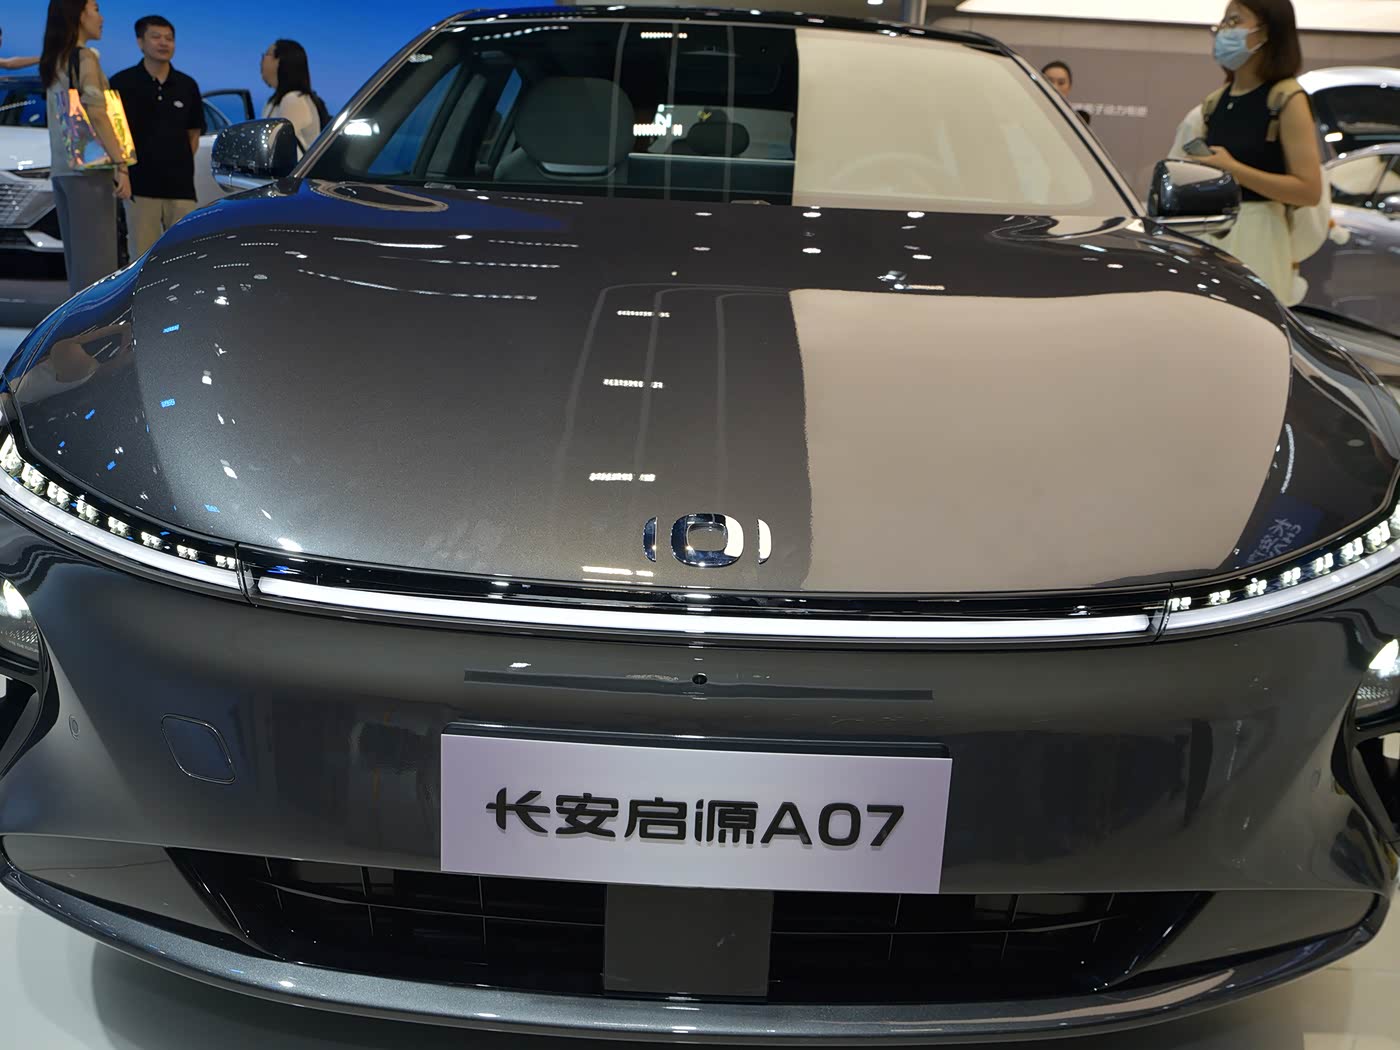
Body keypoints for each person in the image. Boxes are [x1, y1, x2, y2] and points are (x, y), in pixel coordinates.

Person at [1190, 0, 1322, 300]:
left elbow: (1309, 190)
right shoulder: (1215, 102)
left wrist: (1234, 170)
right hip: (1212, 233)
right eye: (1224, 22)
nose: (1224, 30)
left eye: (1235, 21)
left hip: (1261, 236)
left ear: (1267, 32)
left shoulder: (1286, 98)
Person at [40, 0, 130, 294]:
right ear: (78, 15)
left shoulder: (56, 60)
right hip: (90, 172)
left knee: (79, 265)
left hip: (63, 170)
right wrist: (121, 164)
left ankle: (77, 323)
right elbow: (97, 113)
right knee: (97, 268)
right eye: (95, 9)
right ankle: (95, 325)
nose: (101, 17)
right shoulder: (85, 57)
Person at [110, 15, 204, 258]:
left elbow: (193, 133)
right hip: (139, 187)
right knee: (142, 257)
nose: (164, 43)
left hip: (181, 188)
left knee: (184, 256)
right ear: (140, 42)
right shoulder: (121, 83)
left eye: (169, 38)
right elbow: (113, 134)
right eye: (156, 37)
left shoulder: (187, 85)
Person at [261, 39, 325, 152]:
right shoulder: (274, 101)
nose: (262, 59)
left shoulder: (293, 100)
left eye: (266, 54)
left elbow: (275, 146)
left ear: (279, 61)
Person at [1041, 60, 1091, 125]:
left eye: (1061, 83)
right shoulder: (1031, 113)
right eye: (1049, 81)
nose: (1055, 87)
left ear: (1069, 86)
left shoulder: (1078, 120)